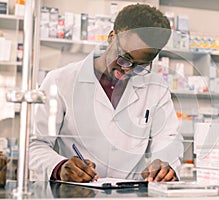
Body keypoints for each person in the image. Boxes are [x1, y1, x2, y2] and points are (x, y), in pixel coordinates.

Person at [29, 4, 183, 183]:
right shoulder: (60, 80)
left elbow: (168, 137)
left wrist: (164, 164)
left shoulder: (156, 87)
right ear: (112, 37)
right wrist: (59, 166)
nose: (127, 70)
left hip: (131, 193)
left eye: (140, 65)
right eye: (124, 58)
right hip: (77, 192)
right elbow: (35, 144)